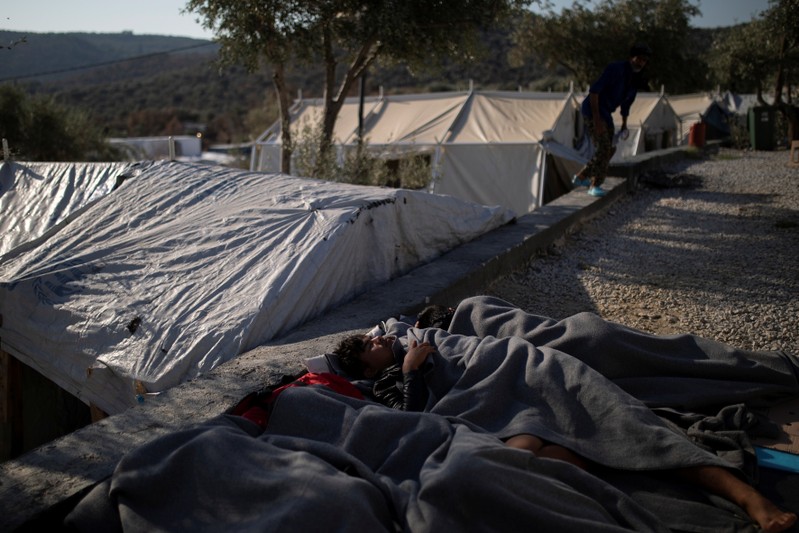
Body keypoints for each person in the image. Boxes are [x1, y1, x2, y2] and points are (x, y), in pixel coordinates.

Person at [333, 304, 797, 532]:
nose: (380, 343)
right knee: (530, 464)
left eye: (374, 340)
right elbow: (412, 421)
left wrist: (412, 341)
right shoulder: (391, 383)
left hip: (524, 372)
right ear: (369, 369)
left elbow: (476, 340)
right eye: (372, 351)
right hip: (483, 409)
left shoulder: (416, 332)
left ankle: (754, 501)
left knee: (630, 429)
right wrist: (412, 373)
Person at [573, 43, 652, 197]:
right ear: (631, 57)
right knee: (603, 148)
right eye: (639, 59)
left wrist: (623, 126)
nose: (641, 63)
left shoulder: (634, 81)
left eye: (644, 61)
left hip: (606, 114)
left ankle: (582, 176)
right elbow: (594, 92)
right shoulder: (615, 69)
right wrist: (596, 120)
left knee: (610, 149)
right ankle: (594, 186)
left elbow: (626, 107)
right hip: (593, 110)